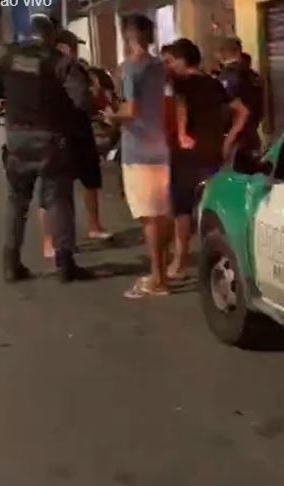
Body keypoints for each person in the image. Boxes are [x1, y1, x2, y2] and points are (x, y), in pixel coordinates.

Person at [0, 13, 94, 283]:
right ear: (51, 37)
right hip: (51, 140)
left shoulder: (7, 57)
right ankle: (65, 265)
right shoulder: (59, 63)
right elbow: (83, 100)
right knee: (59, 201)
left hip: (16, 139)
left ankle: (10, 264)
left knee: (16, 201)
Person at [102, 14, 171, 298]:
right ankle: (163, 272)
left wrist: (111, 116)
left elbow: (131, 111)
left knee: (149, 218)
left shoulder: (132, 69)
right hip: (161, 148)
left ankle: (157, 279)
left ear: (127, 36)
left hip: (139, 151)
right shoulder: (159, 67)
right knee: (161, 214)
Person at [38, 29, 112, 259]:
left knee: (87, 181)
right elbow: (84, 100)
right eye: (73, 45)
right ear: (63, 46)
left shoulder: (47, 68)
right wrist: (94, 96)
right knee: (53, 190)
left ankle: (91, 227)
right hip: (64, 134)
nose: (76, 49)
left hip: (72, 132)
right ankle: (52, 241)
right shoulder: (63, 67)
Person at [164, 38, 231, 281]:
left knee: (182, 209)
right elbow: (236, 112)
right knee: (210, 207)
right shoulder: (215, 84)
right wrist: (227, 140)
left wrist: (182, 134)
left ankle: (180, 262)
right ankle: (214, 260)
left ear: (182, 60)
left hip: (188, 155)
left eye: (171, 61)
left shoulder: (182, 84)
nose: (169, 66)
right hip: (212, 152)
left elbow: (181, 107)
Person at [215, 36, 261, 170]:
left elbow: (239, 111)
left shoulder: (228, 77)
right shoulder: (253, 76)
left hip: (235, 139)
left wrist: (228, 141)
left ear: (221, 53)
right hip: (252, 135)